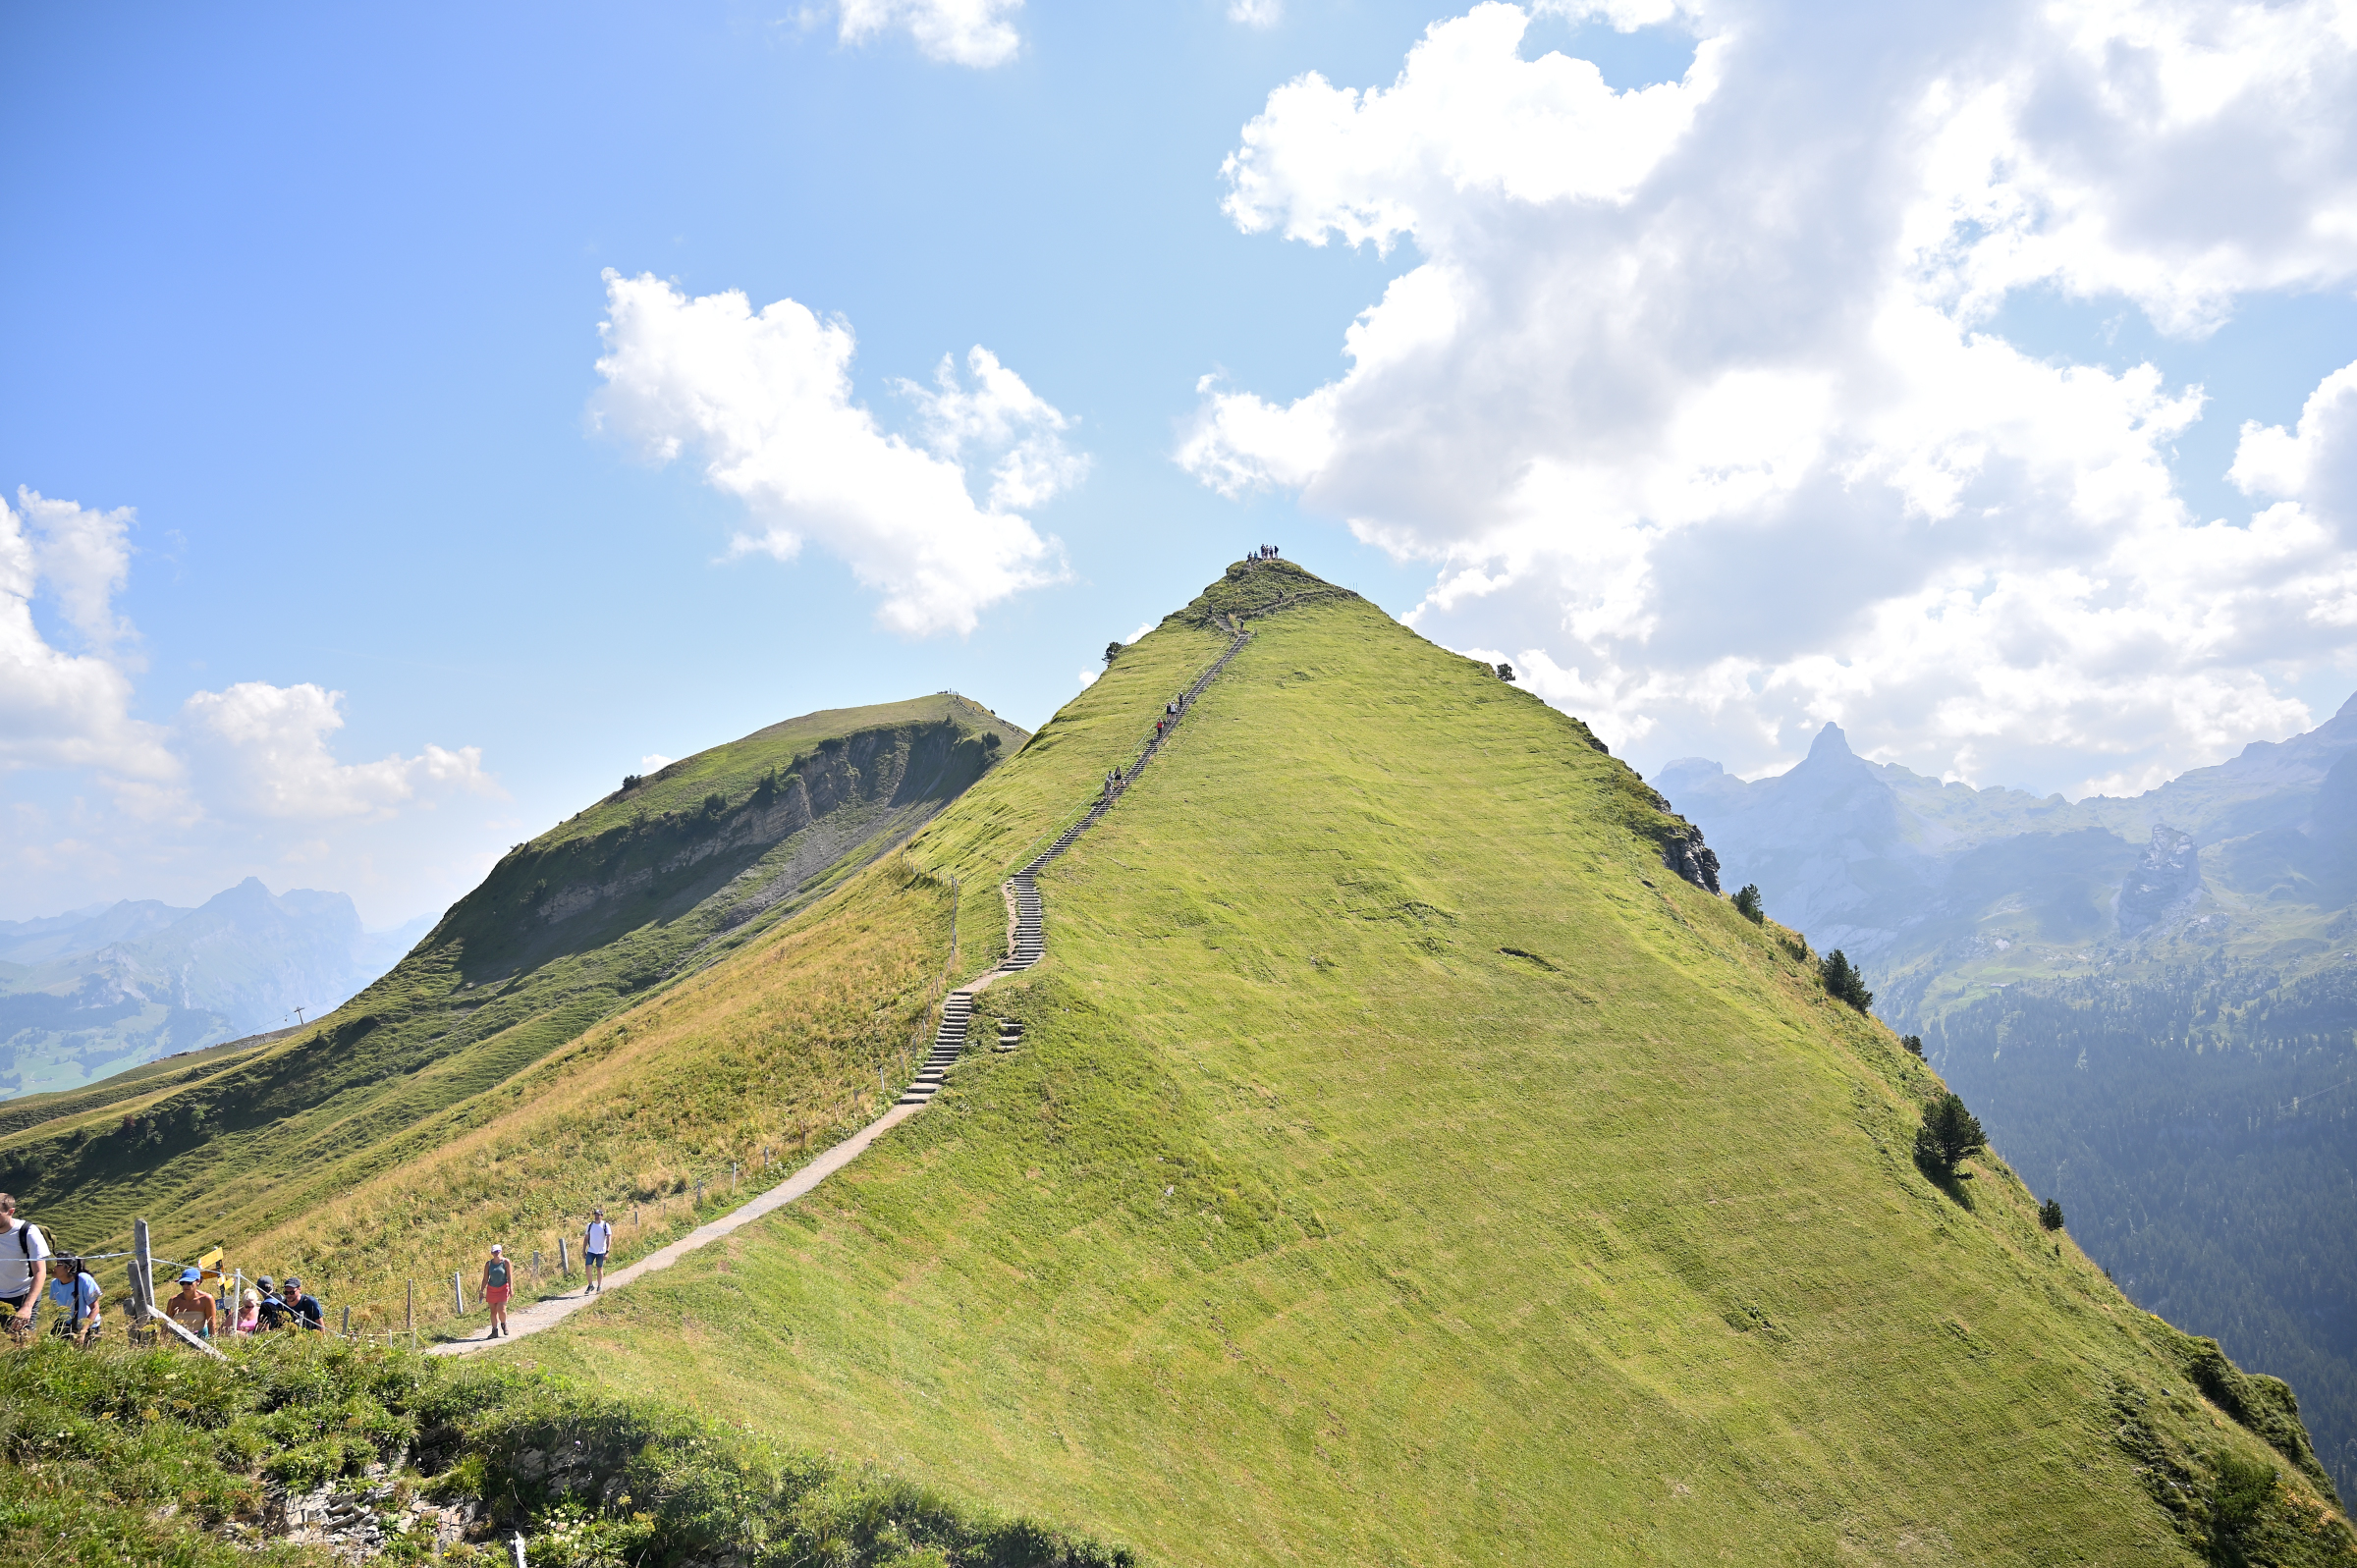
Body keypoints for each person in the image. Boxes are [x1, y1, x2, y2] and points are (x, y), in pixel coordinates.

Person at [0, 1194, 49, 1339]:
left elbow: (40, 1271)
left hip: (21, 1295)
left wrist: (27, 1307)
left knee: (21, 1341)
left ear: (11, 1211)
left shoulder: (28, 1232)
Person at [47, 1257, 101, 1345]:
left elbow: (95, 1308)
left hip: (89, 1328)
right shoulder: (54, 1283)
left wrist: (83, 1332)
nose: (53, 1267)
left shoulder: (84, 1280)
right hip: (66, 1326)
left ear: (69, 1267)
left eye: (57, 1264)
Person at [166, 1267, 218, 1338]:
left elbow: (212, 1323)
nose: (185, 1286)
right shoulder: (173, 1301)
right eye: (182, 1283)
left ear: (198, 1282)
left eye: (189, 1283)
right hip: (179, 1339)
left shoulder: (206, 1299)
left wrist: (213, 1343)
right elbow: (166, 1323)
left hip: (201, 1337)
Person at [478, 1245, 513, 1338]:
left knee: (501, 1310)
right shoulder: (488, 1264)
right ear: (491, 1253)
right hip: (492, 1289)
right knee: (493, 1311)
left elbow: (509, 1276)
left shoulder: (506, 1262)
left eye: (497, 1251)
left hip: (503, 1288)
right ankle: (494, 1331)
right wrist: (481, 1291)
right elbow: (485, 1278)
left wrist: (511, 1289)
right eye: (494, 1252)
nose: (496, 1253)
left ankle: (503, 1324)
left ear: (501, 1251)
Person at [582, 1209, 613, 1293]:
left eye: (599, 1215)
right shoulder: (590, 1225)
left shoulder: (605, 1225)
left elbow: (609, 1238)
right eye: (596, 1215)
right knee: (588, 1267)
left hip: (601, 1251)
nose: (597, 1216)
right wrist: (583, 1250)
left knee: (599, 1268)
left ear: (602, 1216)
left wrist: (607, 1251)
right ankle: (590, 1285)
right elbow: (586, 1238)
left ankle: (599, 1286)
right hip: (591, 1250)